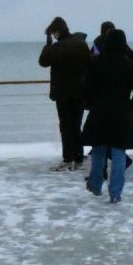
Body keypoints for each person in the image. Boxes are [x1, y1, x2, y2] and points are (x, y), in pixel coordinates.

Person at [81, 28, 133, 203]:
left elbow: (86, 89)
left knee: (99, 150)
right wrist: (130, 108)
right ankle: (115, 193)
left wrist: (92, 105)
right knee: (118, 153)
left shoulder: (95, 63)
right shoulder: (129, 65)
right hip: (122, 113)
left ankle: (95, 185)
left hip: (99, 112)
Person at [38, 16, 91, 170]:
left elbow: (43, 61)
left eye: (53, 33)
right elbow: (89, 63)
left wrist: (48, 44)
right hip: (80, 92)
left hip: (62, 93)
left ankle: (68, 158)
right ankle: (78, 157)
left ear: (56, 32)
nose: (53, 36)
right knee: (76, 125)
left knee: (66, 126)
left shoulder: (57, 47)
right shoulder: (81, 44)